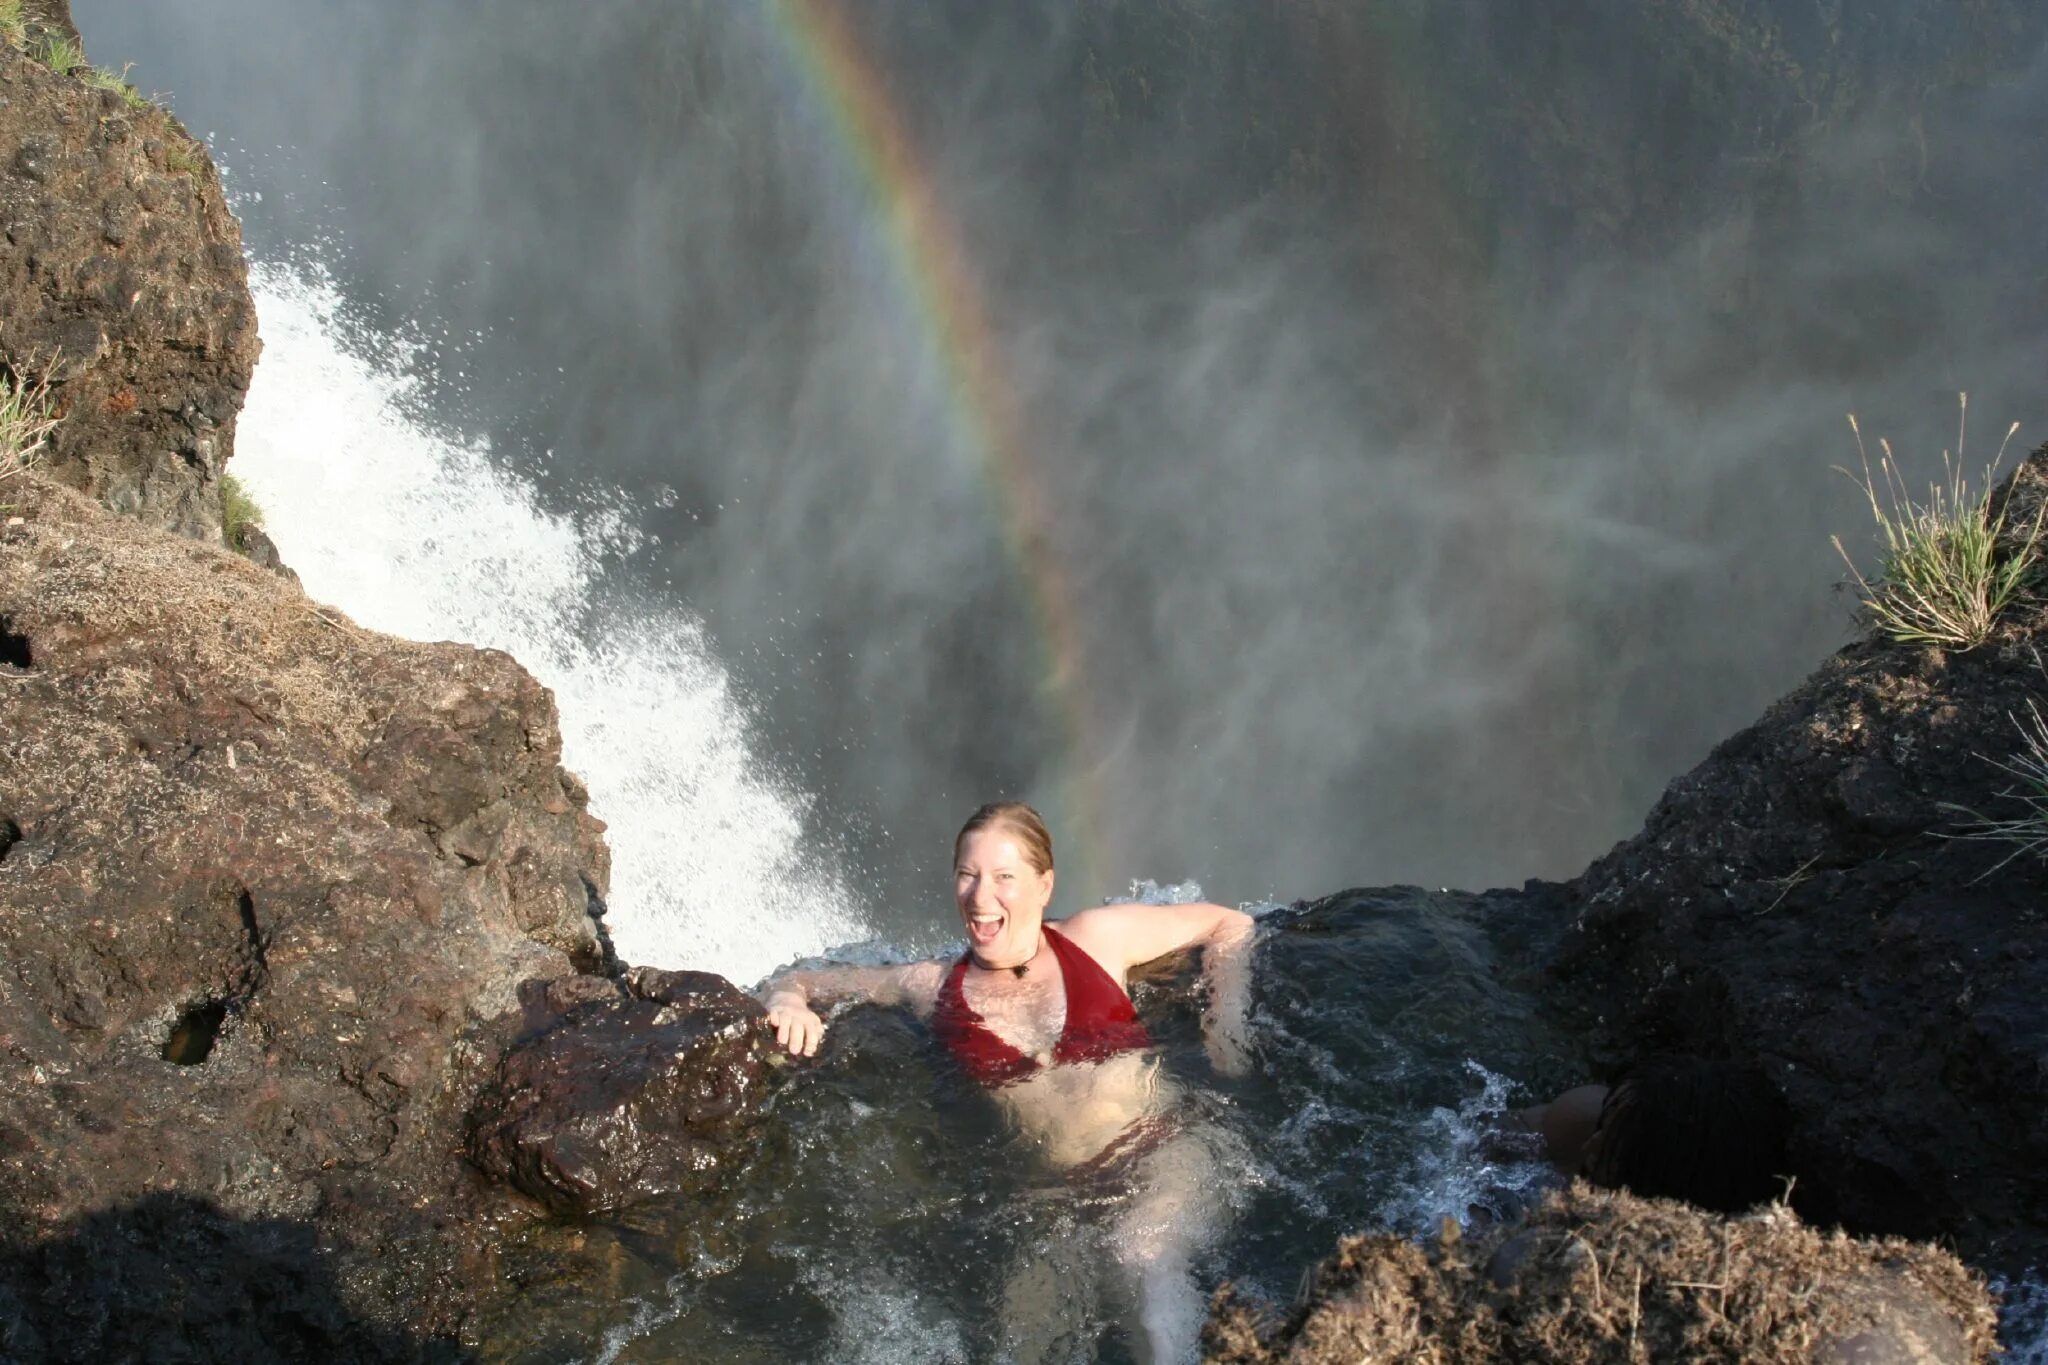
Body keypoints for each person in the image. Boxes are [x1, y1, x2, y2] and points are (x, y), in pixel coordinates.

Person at [758, 800, 1257, 1362]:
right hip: (1053, 1197)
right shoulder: (929, 985)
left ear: (1044, 885)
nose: (979, 897)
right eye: (967, 876)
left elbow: (1229, 923)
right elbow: (797, 979)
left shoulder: (1096, 938)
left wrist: (1225, 1025)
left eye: (1003, 878)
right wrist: (787, 1002)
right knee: (1020, 1334)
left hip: (1160, 1156)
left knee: (1143, 1262)